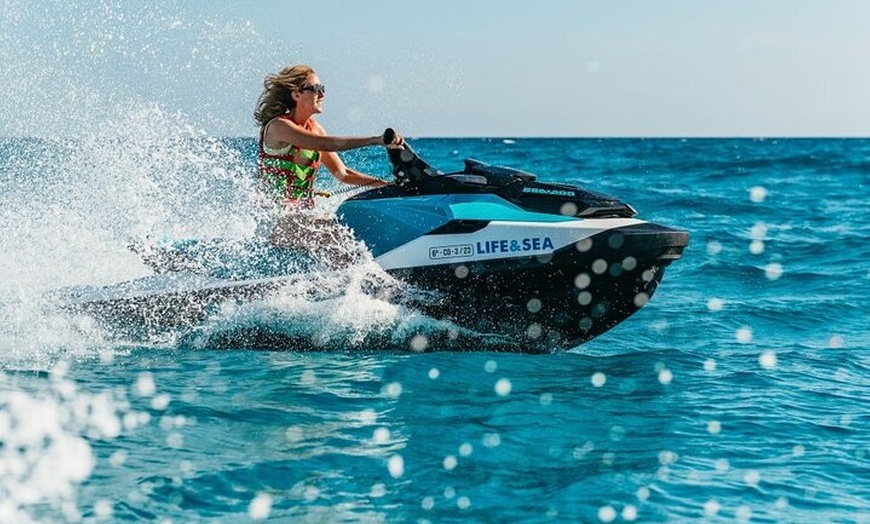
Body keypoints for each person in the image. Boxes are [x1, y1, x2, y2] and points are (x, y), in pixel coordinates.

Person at [253, 64, 403, 257]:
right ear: (296, 94)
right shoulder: (278, 127)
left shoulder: (315, 128)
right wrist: (376, 140)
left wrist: (386, 186)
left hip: (300, 219)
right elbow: (324, 143)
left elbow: (343, 173)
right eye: (315, 89)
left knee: (355, 226)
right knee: (338, 237)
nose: (321, 94)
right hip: (274, 222)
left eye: (322, 89)